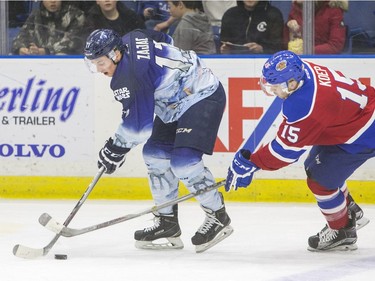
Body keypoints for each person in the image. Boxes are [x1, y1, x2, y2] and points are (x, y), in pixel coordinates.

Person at [83, 28, 233, 253]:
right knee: (154, 155)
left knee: (183, 161)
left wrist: (115, 148)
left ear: (115, 54)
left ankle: (218, 215)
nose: (98, 69)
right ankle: (167, 222)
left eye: (101, 63)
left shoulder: (129, 77)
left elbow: (139, 128)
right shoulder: (131, 37)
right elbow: (165, 39)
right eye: (94, 63)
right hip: (173, 103)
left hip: (202, 94)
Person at [225, 50, 373, 251]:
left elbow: (284, 153)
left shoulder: (304, 104)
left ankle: (342, 230)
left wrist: (252, 163)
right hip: (348, 117)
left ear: (292, 83)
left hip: (363, 133)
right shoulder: (305, 69)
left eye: (276, 86)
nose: (272, 90)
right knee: (313, 165)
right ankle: (351, 211)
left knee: (320, 182)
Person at [11, 0, 85, 55]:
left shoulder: (76, 15)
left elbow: (72, 42)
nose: (53, 1)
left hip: (67, 63)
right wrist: (21, 49)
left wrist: (45, 51)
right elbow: (21, 37)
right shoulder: (36, 14)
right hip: (39, 63)